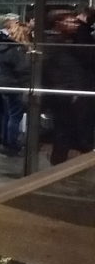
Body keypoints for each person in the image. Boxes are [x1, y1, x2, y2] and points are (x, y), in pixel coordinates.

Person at [43, 10, 95, 165]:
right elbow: (54, 72)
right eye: (70, 22)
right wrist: (68, 92)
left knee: (66, 132)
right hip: (63, 96)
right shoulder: (53, 44)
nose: (75, 25)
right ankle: (57, 166)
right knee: (62, 133)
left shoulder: (68, 42)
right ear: (59, 24)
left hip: (70, 94)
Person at [0, 22, 32, 157]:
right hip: (15, 85)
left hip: (4, 84)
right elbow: (22, 69)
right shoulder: (18, 50)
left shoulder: (4, 47)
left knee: (8, 114)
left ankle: (6, 141)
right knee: (15, 116)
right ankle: (12, 144)